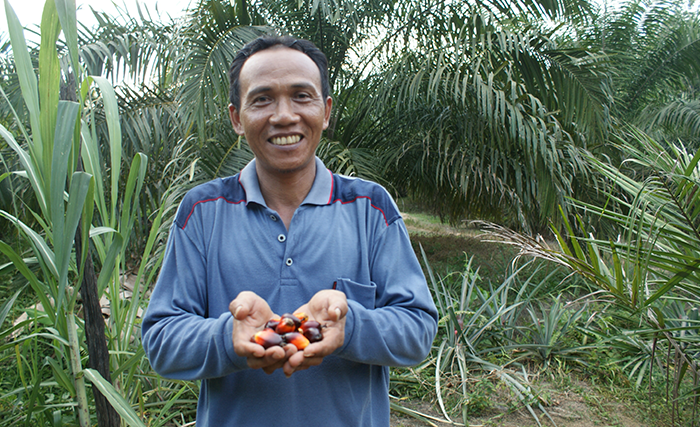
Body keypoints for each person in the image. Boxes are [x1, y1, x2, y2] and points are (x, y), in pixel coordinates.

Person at [141, 35, 438, 426]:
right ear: (236, 117)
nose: (284, 115)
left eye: (302, 95)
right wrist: (228, 336)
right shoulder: (202, 211)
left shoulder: (370, 208)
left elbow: (417, 329)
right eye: (262, 99)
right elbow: (161, 340)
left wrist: (350, 326)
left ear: (326, 110)